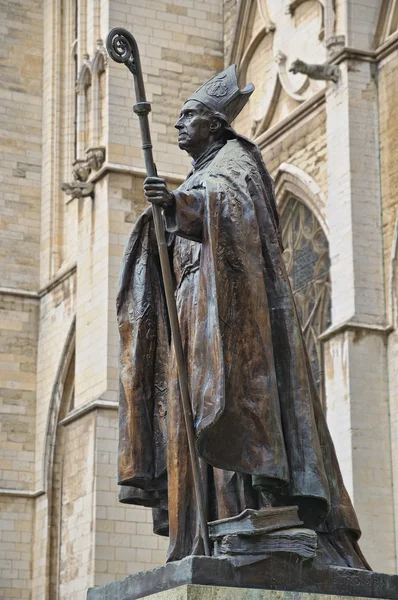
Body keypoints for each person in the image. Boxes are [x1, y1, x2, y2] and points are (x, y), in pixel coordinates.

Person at [116, 65, 369, 568]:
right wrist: (162, 220)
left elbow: (234, 214)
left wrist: (182, 205)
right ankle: (197, 536)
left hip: (229, 320)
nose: (178, 125)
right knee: (188, 416)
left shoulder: (236, 160)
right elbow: (182, 236)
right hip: (192, 314)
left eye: (189, 117)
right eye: (179, 118)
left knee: (228, 404)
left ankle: (248, 518)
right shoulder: (200, 172)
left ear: (215, 124)